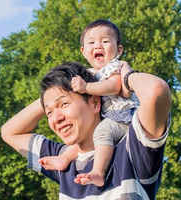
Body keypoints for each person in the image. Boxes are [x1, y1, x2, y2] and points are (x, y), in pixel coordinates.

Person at [1, 61, 171, 199]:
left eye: (64, 104)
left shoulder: (133, 147)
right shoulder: (63, 160)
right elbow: (9, 132)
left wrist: (123, 76)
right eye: (49, 112)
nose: (56, 119)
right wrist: (50, 93)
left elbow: (156, 91)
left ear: (95, 103)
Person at [38, 20, 139, 187]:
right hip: (107, 116)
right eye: (91, 43)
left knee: (101, 132)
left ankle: (98, 172)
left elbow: (114, 86)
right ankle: (64, 159)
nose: (98, 46)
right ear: (84, 52)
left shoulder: (115, 67)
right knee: (84, 138)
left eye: (105, 41)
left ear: (119, 49)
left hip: (122, 117)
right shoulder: (91, 73)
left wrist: (86, 87)